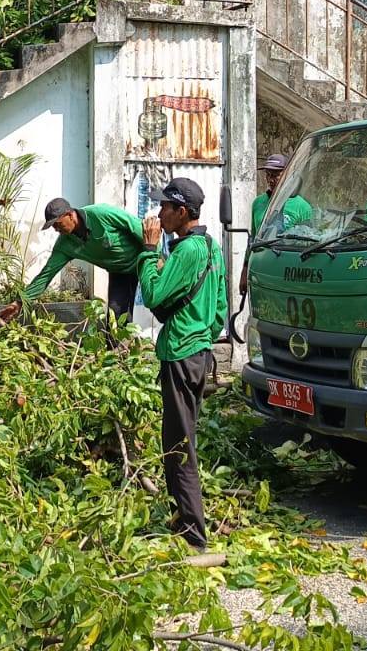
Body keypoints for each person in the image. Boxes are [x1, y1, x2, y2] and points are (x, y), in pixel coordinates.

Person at [138, 177, 227, 549]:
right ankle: (181, 519)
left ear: (182, 211)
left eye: (165, 207)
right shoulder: (211, 247)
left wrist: (148, 252)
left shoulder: (188, 250)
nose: (159, 213)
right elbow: (219, 311)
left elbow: (154, 294)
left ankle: (193, 535)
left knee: (179, 446)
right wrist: (201, 337)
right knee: (179, 438)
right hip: (199, 356)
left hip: (180, 355)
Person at [0, 197, 146, 322]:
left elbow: (139, 228)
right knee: (116, 320)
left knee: (158, 303)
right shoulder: (64, 245)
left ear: (70, 215)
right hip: (120, 272)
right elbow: (45, 276)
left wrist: (154, 256)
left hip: (146, 261)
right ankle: (120, 347)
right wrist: (20, 302)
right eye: (53, 226)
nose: (56, 229)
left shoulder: (101, 214)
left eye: (57, 224)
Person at [250, 153, 312, 236]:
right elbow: (253, 238)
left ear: (288, 175)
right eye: (268, 174)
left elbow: (307, 239)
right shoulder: (258, 202)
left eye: (275, 175)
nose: (270, 180)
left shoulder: (302, 207)